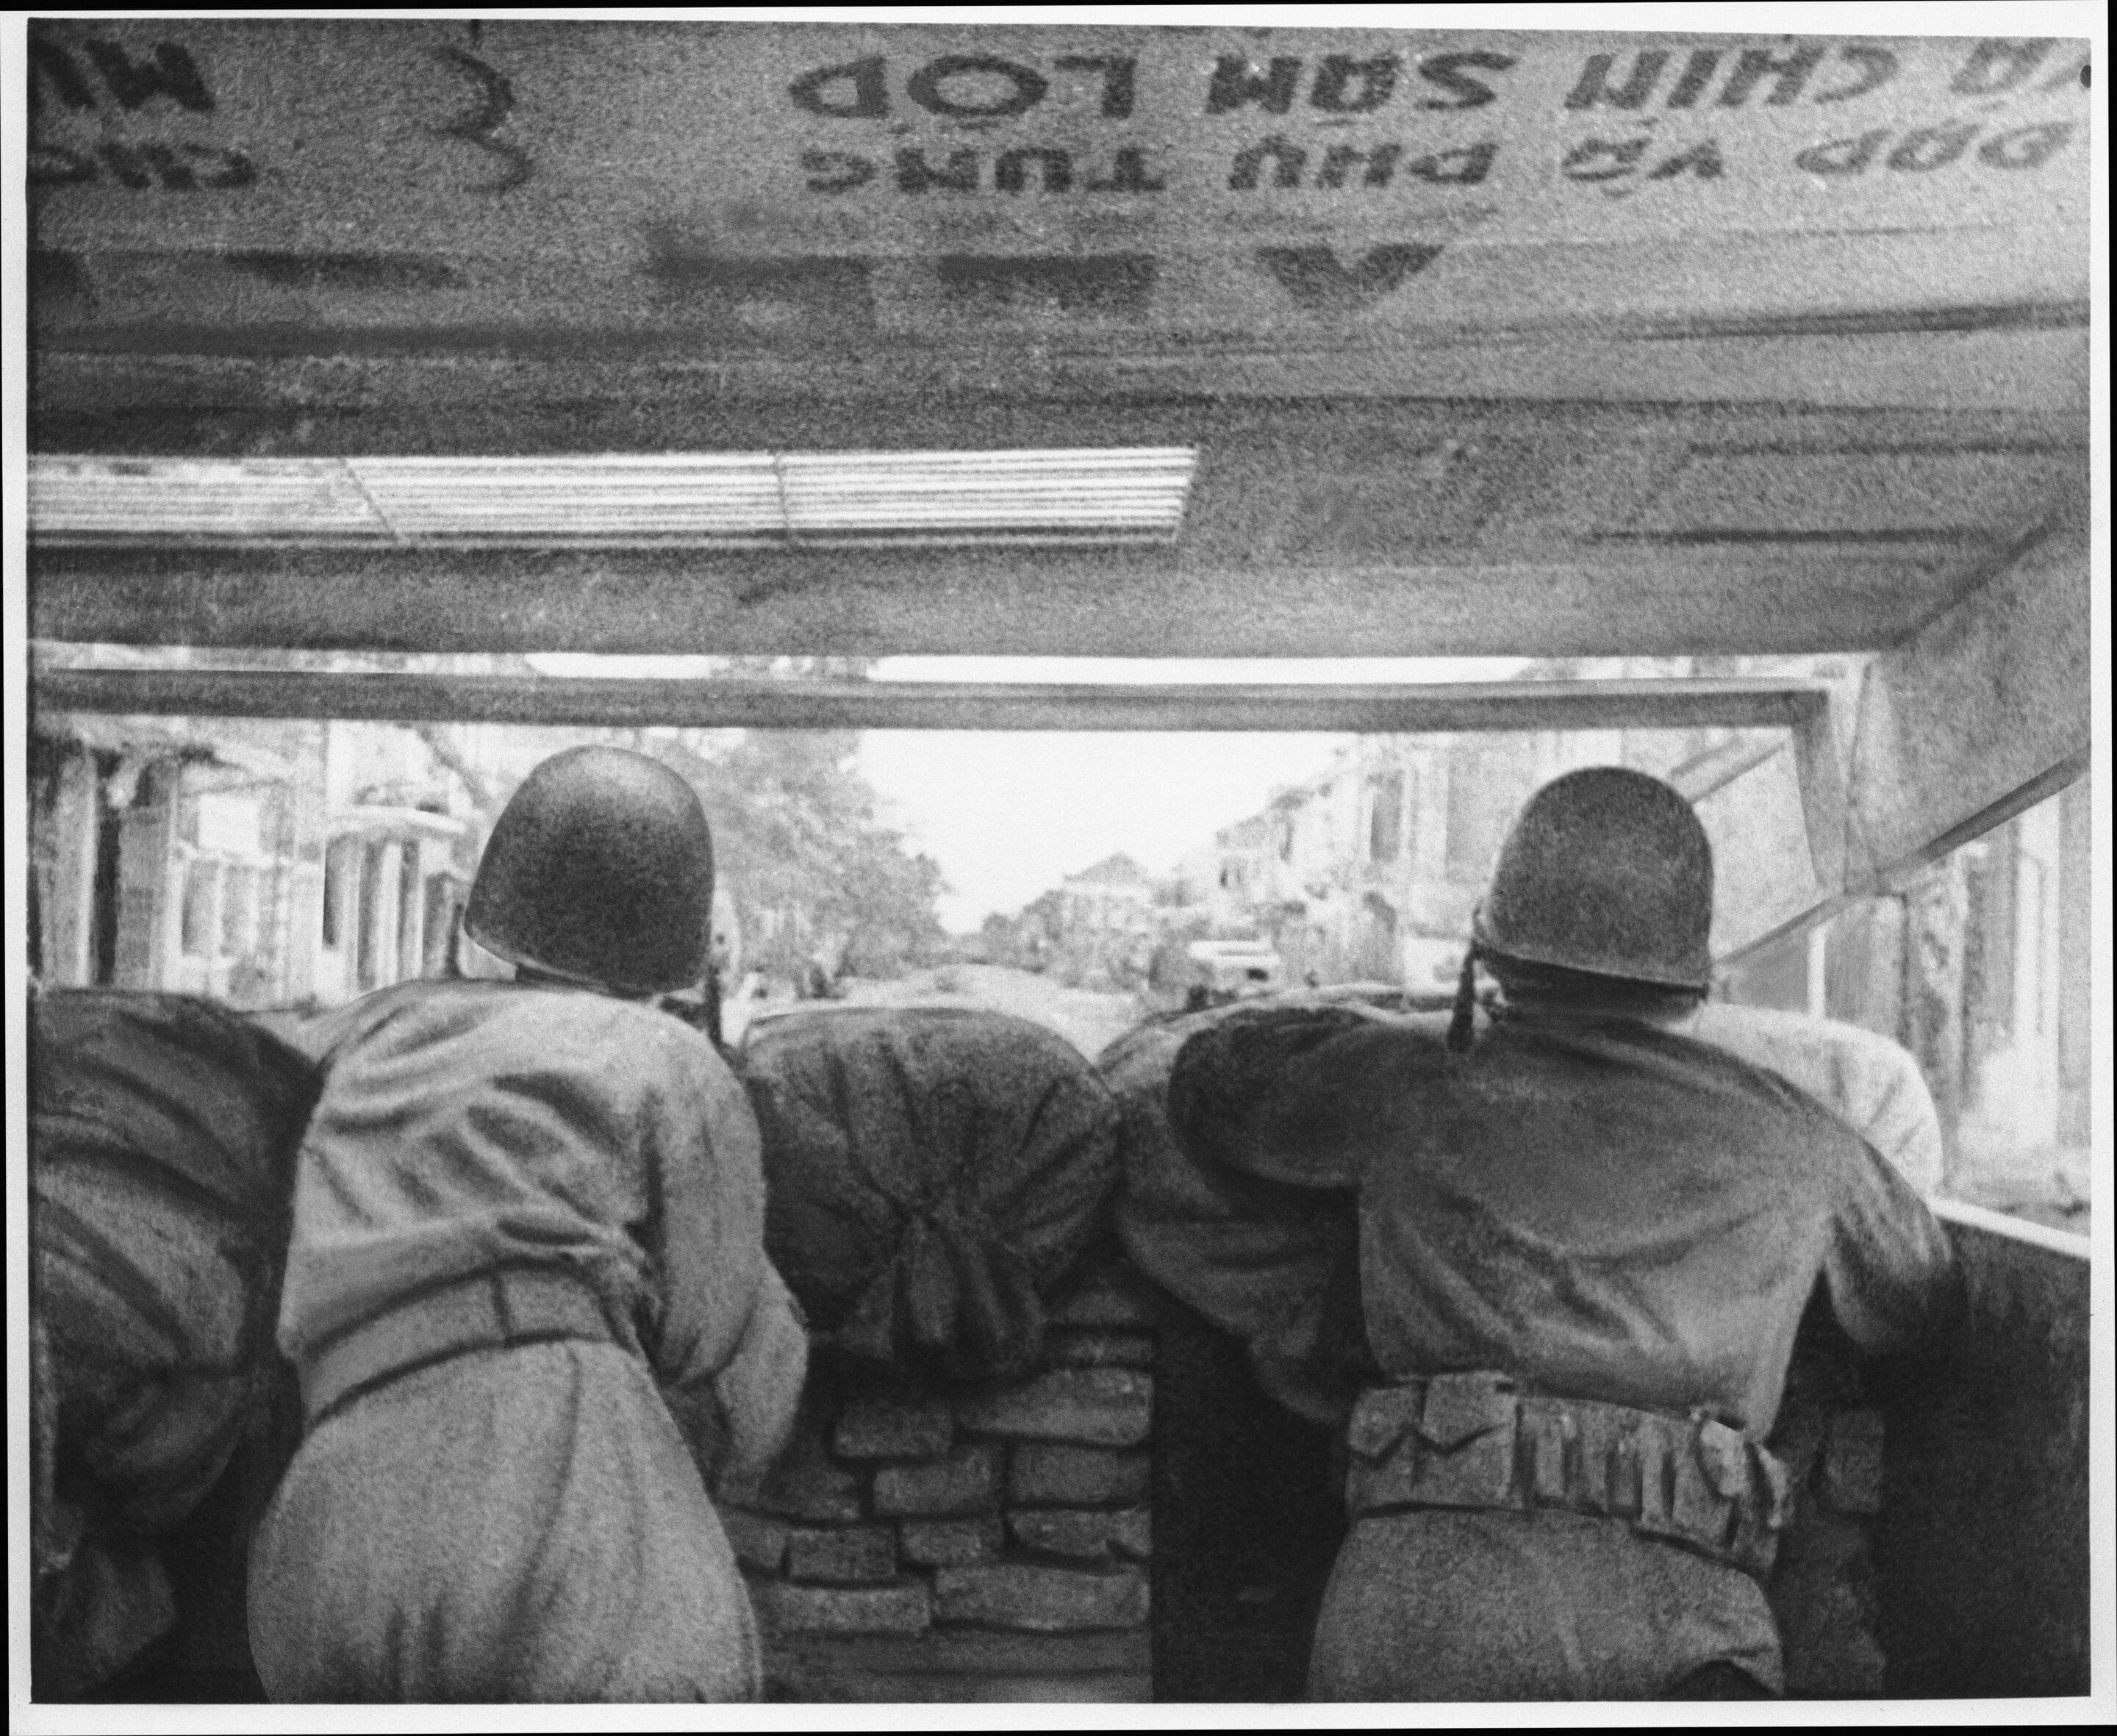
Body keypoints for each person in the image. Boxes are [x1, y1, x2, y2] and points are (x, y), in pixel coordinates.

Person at [1164, 767, 1962, 1702]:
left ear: (1492, 951)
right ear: (1693, 976)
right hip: (1680, 1609)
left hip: (1431, 1600)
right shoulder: (1805, 1138)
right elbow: (1924, 1305)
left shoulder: (1400, 1081)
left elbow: (1210, 1081)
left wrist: (1402, 1020)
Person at [248, 746, 808, 1703]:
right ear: (675, 938)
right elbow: (706, 1328)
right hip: (552, 1483)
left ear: (499, 907)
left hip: (329, 1513)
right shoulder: (670, 1058)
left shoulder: (372, 1025)